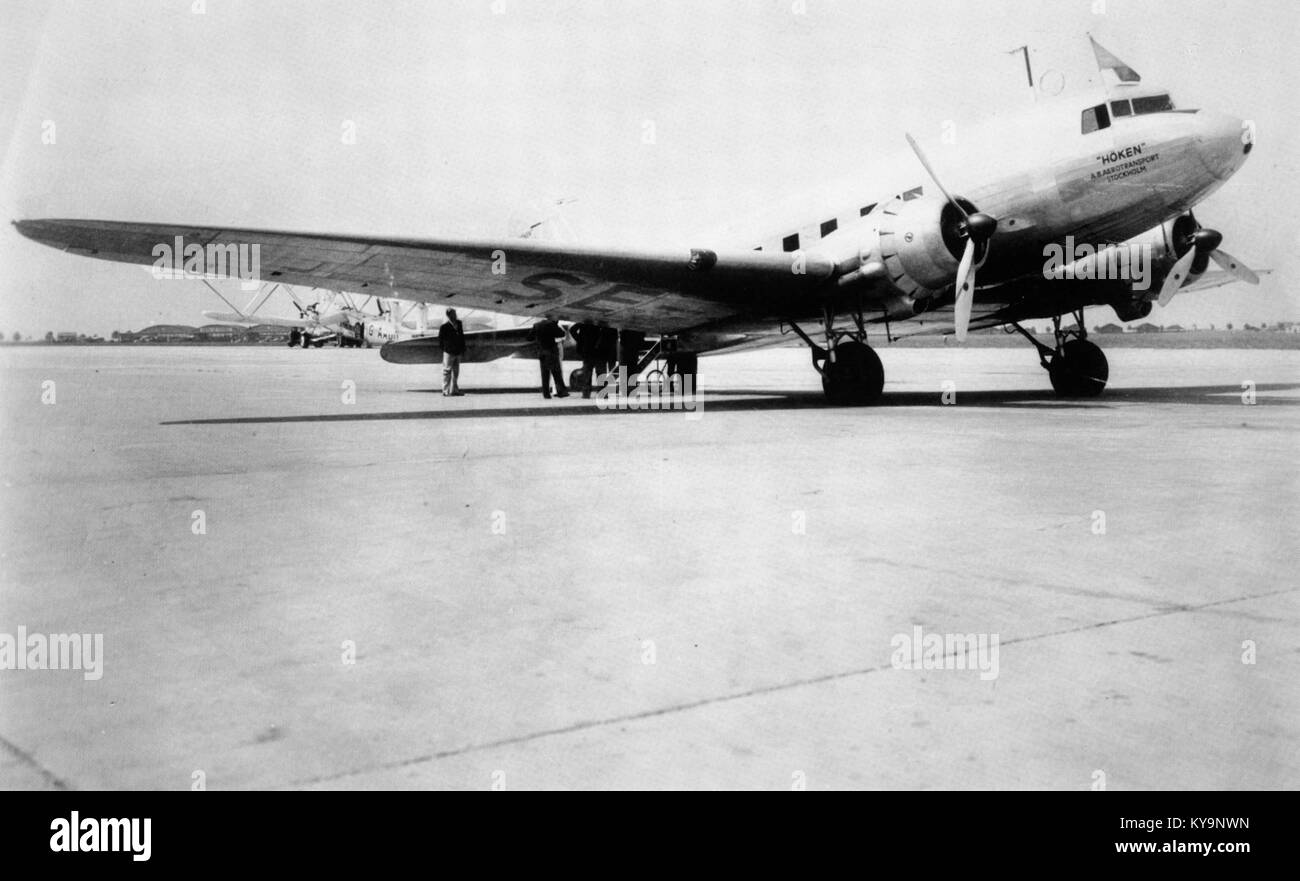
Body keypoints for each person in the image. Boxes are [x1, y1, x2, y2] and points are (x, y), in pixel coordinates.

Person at [532, 315, 568, 399]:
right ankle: (561, 392)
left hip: (542, 353)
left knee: (545, 374)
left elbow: (529, 337)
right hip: (552, 352)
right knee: (556, 373)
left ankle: (546, 394)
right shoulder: (552, 325)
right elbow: (561, 333)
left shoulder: (536, 325)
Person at [571, 321, 606, 399]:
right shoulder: (600, 322)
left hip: (587, 351)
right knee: (600, 373)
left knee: (587, 373)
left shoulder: (584, 322)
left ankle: (586, 393)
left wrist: (580, 341)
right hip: (599, 351)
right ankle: (602, 393)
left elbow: (572, 330)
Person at [438, 308, 465, 396]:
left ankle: (454, 390)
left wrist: (463, 348)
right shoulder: (444, 327)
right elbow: (440, 340)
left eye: (455, 313)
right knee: (447, 371)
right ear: (449, 315)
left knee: (456, 372)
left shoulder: (459, 323)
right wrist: (446, 349)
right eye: (453, 314)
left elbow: (462, 337)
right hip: (449, 352)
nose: (455, 315)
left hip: (457, 351)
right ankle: (445, 390)